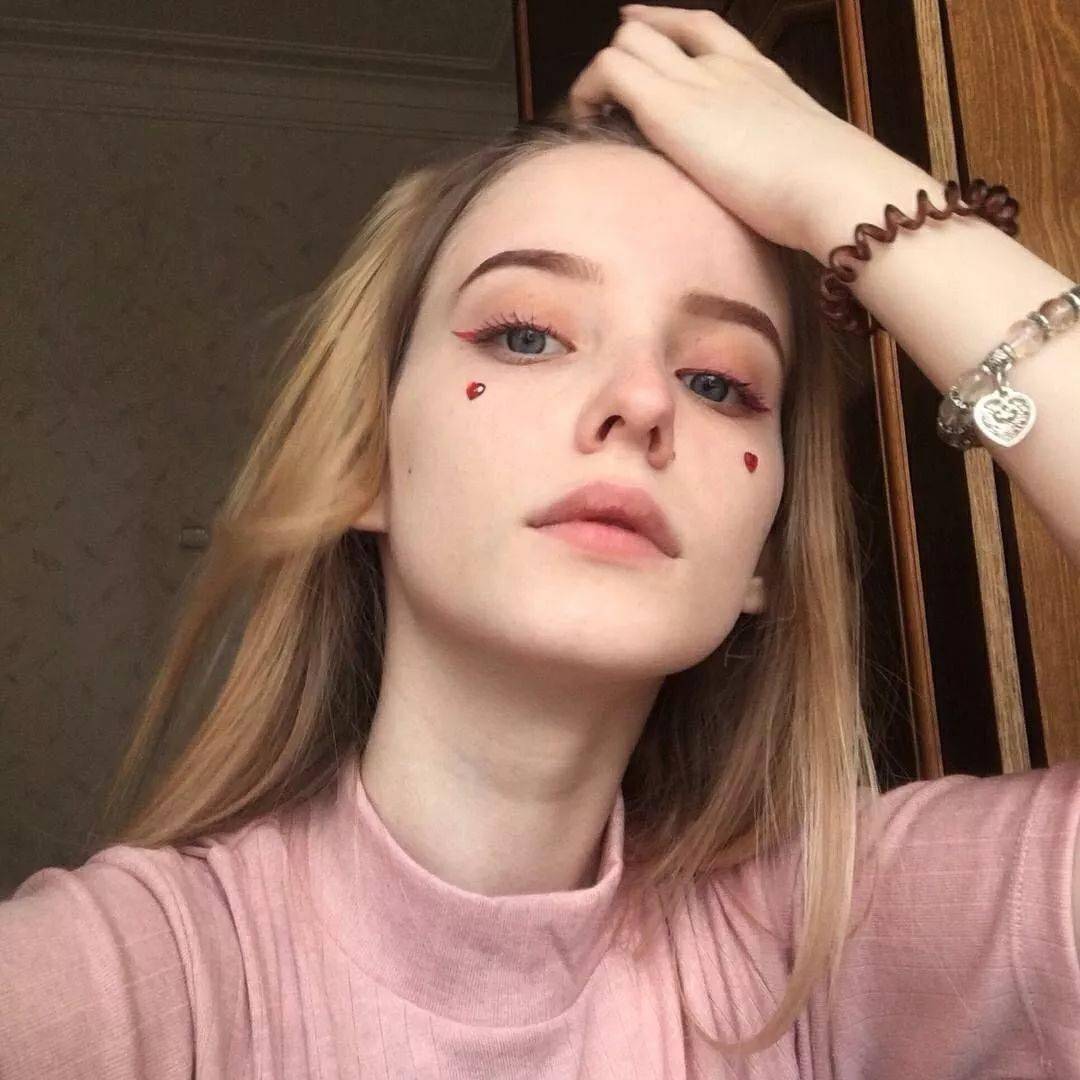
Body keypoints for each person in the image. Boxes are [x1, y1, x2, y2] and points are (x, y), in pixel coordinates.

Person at [3, 6, 1078, 1077]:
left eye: (719, 382)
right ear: (367, 461)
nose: (642, 401)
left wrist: (846, 189)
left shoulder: (836, 950)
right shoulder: (131, 987)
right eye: (526, 335)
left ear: (763, 553)